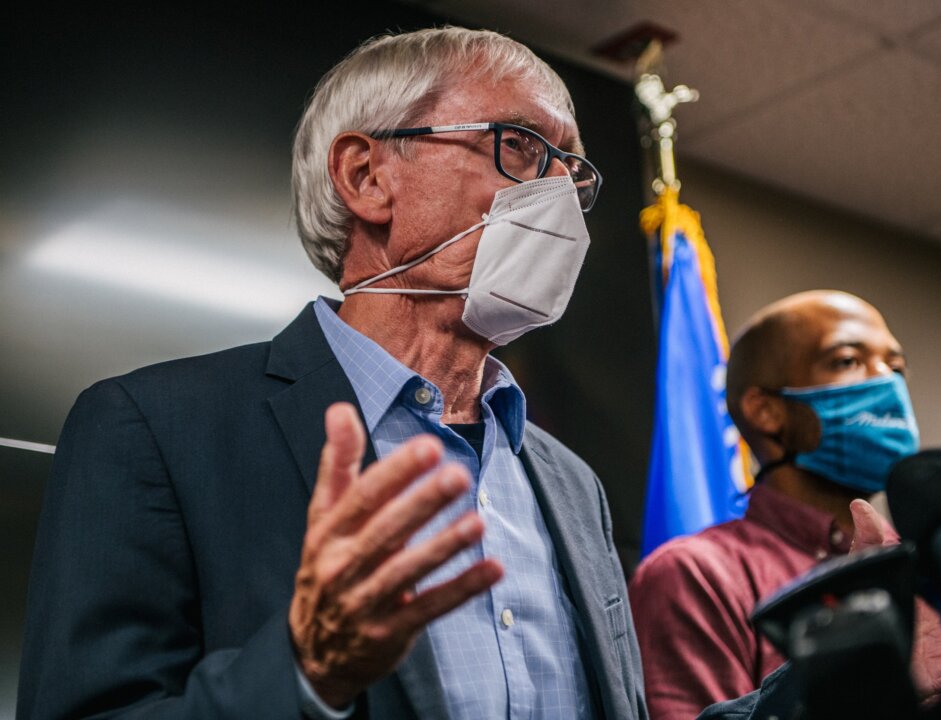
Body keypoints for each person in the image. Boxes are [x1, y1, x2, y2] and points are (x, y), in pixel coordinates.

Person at [18, 27, 646, 720]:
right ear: (366, 177)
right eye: (521, 145)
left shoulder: (573, 485)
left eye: (573, 172)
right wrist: (305, 675)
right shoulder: (152, 432)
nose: (560, 196)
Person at [628, 290, 941, 720]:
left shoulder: (929, 571)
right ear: (766, 410)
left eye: (896, 367)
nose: (887, 382)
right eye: (847, 360)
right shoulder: (698, 574)